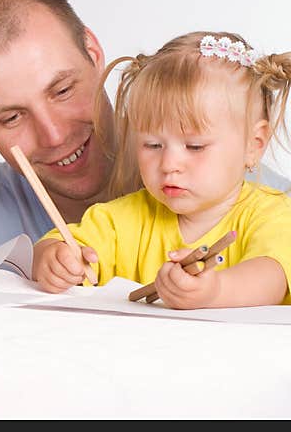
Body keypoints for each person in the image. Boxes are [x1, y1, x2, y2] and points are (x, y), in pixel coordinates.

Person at [0, 0, 289, 272]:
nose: (54, 135)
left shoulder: (272, 207)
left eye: (62, 91)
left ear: (93, 54)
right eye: (12, 117)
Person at [32, 32, 291, 308]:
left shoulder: (273, 215)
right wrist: (53, 259)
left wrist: (214, 292)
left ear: (254, 144)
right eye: (153, 145)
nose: (169, 164)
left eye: (194, 146)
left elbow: (272, 278)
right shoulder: (120, 219)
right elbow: (63, 243)